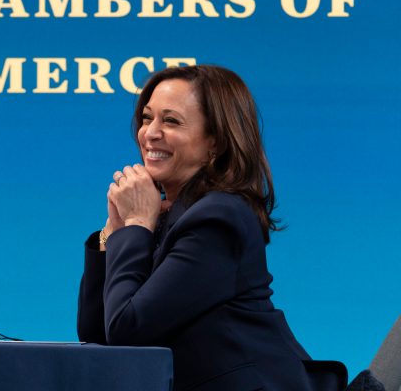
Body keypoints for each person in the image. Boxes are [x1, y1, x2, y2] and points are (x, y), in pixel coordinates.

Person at [77, 65, 345, 391]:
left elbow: (126, 332)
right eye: (147, 118)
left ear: (215, 143)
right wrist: (113, 233)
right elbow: (97, 336)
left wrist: (135, 226)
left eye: (171, 121)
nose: (150, 133)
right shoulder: (166, 217)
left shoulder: (218, 218)